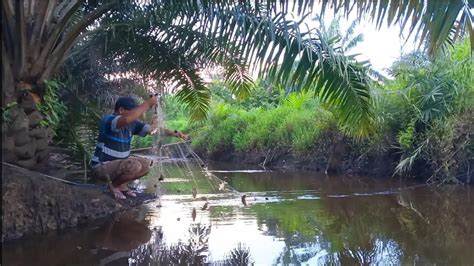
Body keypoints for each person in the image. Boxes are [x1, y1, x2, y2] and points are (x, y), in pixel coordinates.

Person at [91, 96, 188, 199]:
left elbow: (152, 130)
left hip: (120, 165)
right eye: (133, 112)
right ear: (121, 110)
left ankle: (122, 186)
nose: (136, 116)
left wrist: (174, 133)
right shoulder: (108, 120)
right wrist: (148, 103)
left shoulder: (132, 124)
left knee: (146, 165)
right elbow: (126, 119)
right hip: (102, 167)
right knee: (134, 165)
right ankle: (113, 187)